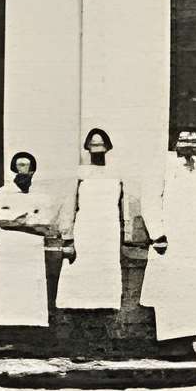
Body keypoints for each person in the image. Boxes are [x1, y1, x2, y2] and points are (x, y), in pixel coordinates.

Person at [53, 127, 146, 349]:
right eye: (92, 145)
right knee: (79, 281)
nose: (97, 148)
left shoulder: (117, 173)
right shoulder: (79, 173)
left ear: (107, 147)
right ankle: (77, 335)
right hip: (85, 231)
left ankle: (102, 335)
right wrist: (68, 237)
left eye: (100, 144)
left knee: (105, 281)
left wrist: (126, 235)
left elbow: (124, 206)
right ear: (87, 147)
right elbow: (68, 207)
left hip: (107, 233)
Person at [143, 128, 196, 358]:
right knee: (172, 286)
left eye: (193, 141)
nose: (189, 145)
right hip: (172, 237)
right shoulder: (161, 165)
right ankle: (170, 343)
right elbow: (150, 201)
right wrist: (157, 234)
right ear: (175, 142)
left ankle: (192, 340)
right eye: (184, 140)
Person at [0, 151, 56, 332]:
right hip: (9, 244)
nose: (22, 169)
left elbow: (45, 220)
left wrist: (18, 221)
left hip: (31, 246)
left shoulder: (41, 194)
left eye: (26, 165)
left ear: (32, 169)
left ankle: (32, 329)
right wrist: (24, 220)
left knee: (31, 286)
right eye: (19, 165)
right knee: (8, 285)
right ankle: (5, 328)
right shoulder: (4, 192)